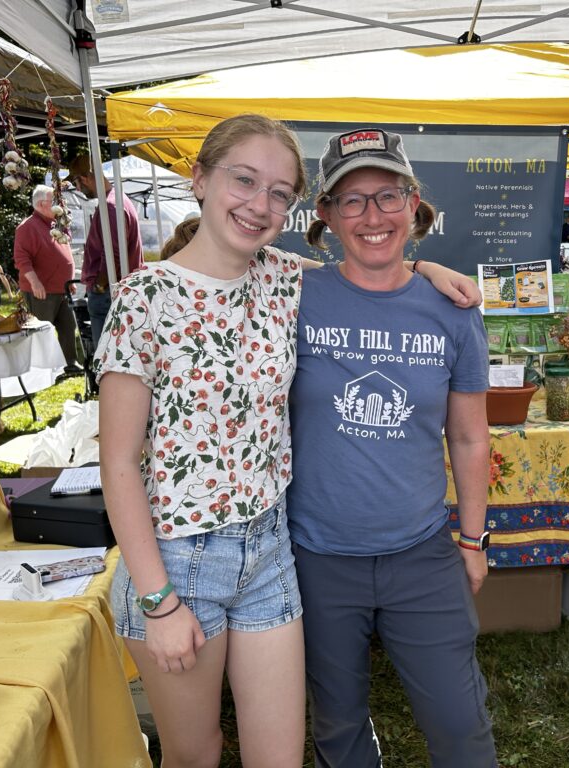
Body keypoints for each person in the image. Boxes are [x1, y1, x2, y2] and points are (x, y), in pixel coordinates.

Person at [93, 114, 479, 768]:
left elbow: (373, 263)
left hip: (271, 551)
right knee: (197, 753)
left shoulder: (282, 279)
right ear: (200, 179)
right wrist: (158, 601)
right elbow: (117, 463)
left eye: (279, 192)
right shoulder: (144, 296)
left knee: (281, 756)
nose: (260, 204)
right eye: (244, 180)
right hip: (181, 556)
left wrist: (429, 269)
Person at [289, 128, 497, 768]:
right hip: (315, 556)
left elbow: (468, 435)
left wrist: (472, 539)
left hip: (421, 552)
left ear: (414, 204)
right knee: (338, 725)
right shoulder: (291, 297)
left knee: (461, 728)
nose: (371, 216)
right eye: (350, 201)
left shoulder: (452, 308)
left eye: (387, 196)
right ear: (323, 215)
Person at [67, 154, 144, 350]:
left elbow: (114, 253)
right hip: (116, 288)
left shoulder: (111, 206)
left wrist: (100, 285)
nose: (78, 189)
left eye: (76, 183)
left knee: (107, 356)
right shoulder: (117, 200)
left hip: (110, 291)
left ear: (84, 178)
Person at [13, 184, 82, 375]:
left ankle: (70, 363)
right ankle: (43, 370)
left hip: (62, 288)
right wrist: (34, 282)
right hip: (41, 290)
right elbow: (21, 259)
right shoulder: (27, 227)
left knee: (68, 326)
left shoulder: (56, 225)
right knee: (43, 330)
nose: (60, 204)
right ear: (43, 204)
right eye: (55, 201)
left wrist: (68, 281)